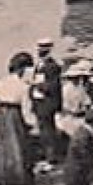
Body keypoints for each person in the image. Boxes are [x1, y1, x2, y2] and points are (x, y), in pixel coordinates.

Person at [0, 52, 36, 185]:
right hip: (14, 114)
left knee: (2, 146)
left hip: (1, 114)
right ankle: (17, 177)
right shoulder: (23, 86)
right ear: (21, 69)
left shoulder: (0, 83)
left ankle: (1, 175)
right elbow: (26, 106)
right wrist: (31, 122)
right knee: (17, 145)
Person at [30, 38, 65, 171]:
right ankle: (48, 157)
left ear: (48, 49)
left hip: (47, 103)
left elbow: (54, 86)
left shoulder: (52, 66)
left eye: (43, 48)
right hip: (39, 102)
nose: (40, 50)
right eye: (39, 47)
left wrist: (38, 86)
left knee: (48, 131)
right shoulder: (40, 64)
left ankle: (51, 158)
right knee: (44, 131)